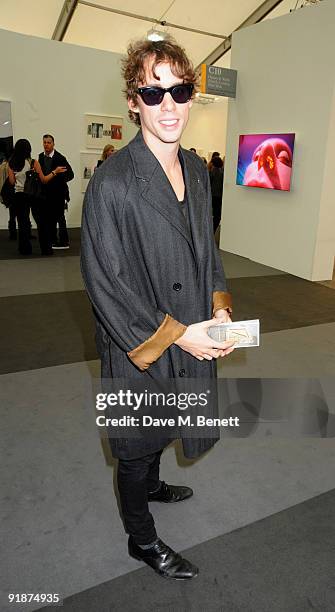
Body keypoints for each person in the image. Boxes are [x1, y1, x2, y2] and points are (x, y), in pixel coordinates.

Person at [81, 36, 235, 581]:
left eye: (180, 89)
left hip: (192, 332)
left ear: (193, 94)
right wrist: (176, 336)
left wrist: (218, 308)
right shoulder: (112, 183)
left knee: (168, 424)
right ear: (132, 99)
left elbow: (206, 248)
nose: (168, 104)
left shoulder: (195, 169)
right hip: (141, 346)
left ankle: (152, 484)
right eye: (153, 92)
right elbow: (106, 284)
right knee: (136, 445)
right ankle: (140, 540)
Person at [7, 139, 67, 255]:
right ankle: (46, 249)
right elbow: (44, 180)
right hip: (34, 194)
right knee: (41, 222)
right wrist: (55, 172)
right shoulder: (33, 162)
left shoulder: (11, 164)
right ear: (29, 149)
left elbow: (11, 181)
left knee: (23, 223)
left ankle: (25, 249)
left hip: (19, 196)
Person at [38, 134, 74, 249]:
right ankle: (52, 239)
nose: (46, 145)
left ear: (53, 144)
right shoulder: (40, 157)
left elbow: (70, 175)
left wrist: (59, 180)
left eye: (49, 142)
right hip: (45, 194)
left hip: (58, 193)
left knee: (60, 217)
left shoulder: (60, 158)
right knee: (49, 217)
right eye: (44, 142)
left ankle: (64, 241)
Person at [209, 155, 224, 233]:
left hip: (211, 195)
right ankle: (214, 230)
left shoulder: (211, 172)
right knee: (217, 215)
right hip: (219, 196)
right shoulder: (222, 173)